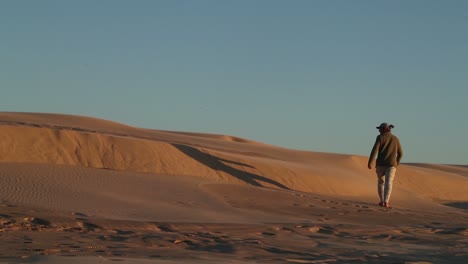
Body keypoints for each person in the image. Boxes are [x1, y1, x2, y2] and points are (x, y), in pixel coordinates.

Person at [368, 122, 403, 208]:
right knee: (389, 182)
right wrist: (397, 162)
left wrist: (370, 162)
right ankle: (386, 202)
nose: (379, 130)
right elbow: (400, 153)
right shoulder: (395, 139)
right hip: (392, 165)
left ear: (384, 129)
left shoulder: (380, 137)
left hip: (380, 164)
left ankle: (381, 201)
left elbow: (374, 150)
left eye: (380, 129)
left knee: (381, 182)